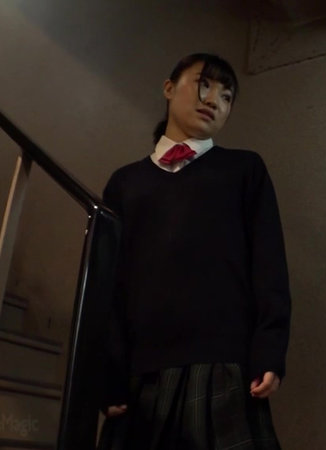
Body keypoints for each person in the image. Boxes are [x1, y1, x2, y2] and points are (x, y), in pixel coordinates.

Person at [98, 53, 291, 449]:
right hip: (141, 370)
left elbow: (269, 266)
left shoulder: (244, 170)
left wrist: (269, 350)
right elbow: (107, 284)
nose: (214, 100)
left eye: (227, 96)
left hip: (224, 362)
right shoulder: (125, 183)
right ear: (169, 88)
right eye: (204, 85)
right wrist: (107, 372)